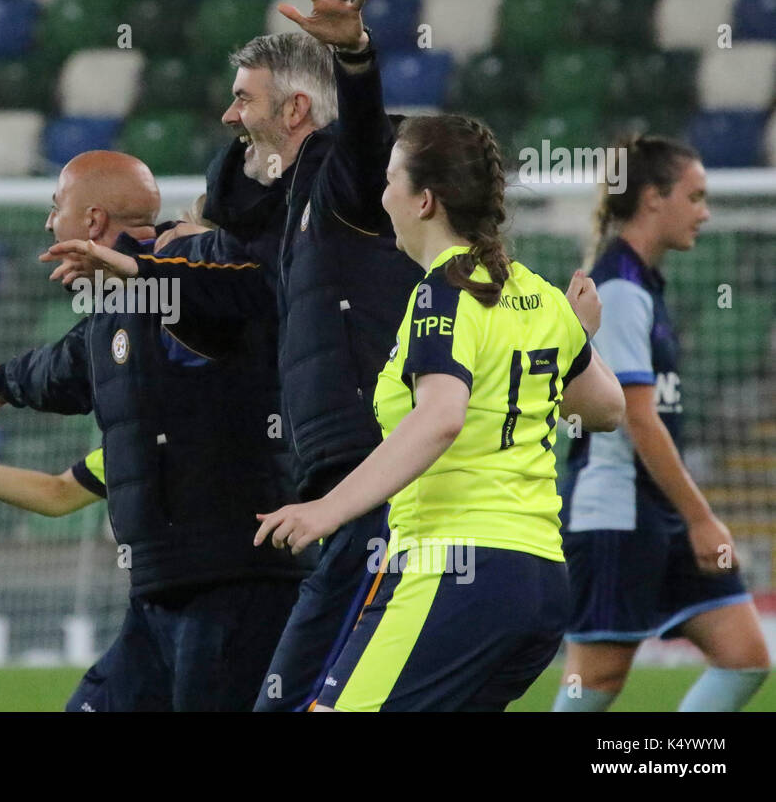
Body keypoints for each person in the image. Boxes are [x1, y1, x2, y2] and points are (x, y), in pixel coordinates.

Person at [37, 0, 424, 711]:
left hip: (367, 468)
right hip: (325, 476)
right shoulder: (276, 227)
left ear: (298, 108)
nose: (228, 115)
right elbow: (232, 275)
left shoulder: (342, 182)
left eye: (243, 99)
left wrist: (356, 57)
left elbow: (368, 140)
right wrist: (137, 260)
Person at [253, 114, 626, 710]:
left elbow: (440, 418)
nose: (382, 195)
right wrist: (579, 335)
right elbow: (606, 408)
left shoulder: (441, 293)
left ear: (424, 200)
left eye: (390, 179)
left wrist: (327, 508)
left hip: (455, 565)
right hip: (538, 578)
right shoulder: (537, 295)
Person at [0, 149, 313, 711]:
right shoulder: (114, 307)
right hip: (161, 588)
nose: (51, 222)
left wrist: (160, 254)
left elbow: (245, 294)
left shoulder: (196, 265)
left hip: (234, 580)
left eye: (58, 207)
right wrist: (3, 379)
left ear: (94, 220)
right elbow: (65, 368)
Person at [553, 135, 770, 712]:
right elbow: (638, 421)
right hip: (616, 513)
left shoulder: (641, 282)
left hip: (659, 510)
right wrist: (703, 520)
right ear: (653, 199)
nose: (706, 211)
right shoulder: (619, 288)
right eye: (695, 196)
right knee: (594, 681)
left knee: (745, 656)